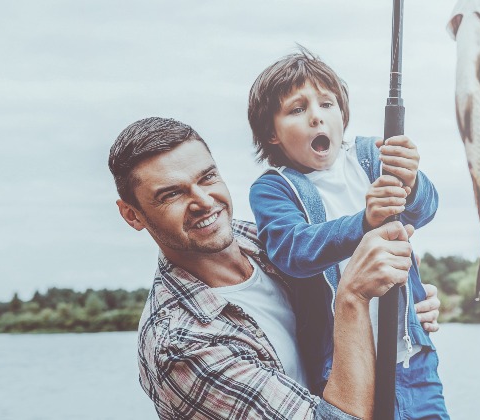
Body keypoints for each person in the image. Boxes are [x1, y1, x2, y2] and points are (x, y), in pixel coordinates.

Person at [108, 117, 441, 419]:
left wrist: (400, 309)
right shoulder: (182, 347)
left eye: (207, 177)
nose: (204, 202)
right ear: (132, 215)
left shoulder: (262, 239)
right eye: (171, 195)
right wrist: (354, 298)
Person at [247, 47, 448, 419]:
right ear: (271, 134)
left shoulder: (372, 155)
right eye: (296, 109)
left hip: (412, 358)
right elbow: (294, 250)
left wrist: (412, 180)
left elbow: (427, 209)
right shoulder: (274, 188)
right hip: (344, 366)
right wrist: (364, 222)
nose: (316, 117)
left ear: (342, 112)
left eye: (327, 104)